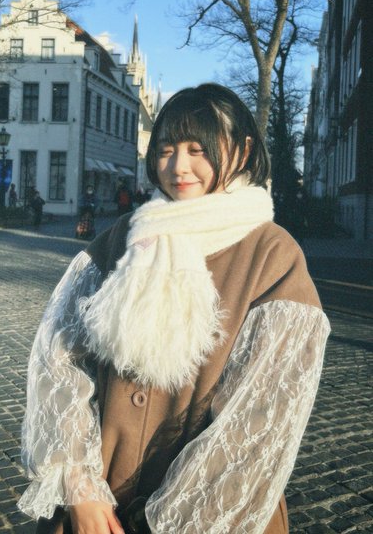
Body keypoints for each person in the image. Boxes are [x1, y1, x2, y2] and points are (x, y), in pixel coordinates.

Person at [18, 84, 330, 534]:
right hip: (97, 508)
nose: (178, 167)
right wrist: (79, 486)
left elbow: (260, 420)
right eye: (166, 150)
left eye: (197, 150)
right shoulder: (121, 238)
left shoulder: (273, 256)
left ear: (243, 150)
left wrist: (170, 519)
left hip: (210, 513)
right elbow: (59, 359)